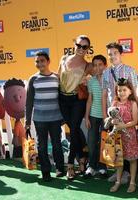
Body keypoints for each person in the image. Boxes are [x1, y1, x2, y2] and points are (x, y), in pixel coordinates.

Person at [101, 42, 138, 183]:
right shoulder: (105, 72)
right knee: (117, 144)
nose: (112, 56)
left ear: (121, 54)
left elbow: (134, 92)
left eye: (115, 53)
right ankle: (119, 173)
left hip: (128, 113)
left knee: (129, 143)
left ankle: (129, 173)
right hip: (113, 114)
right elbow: (105, 95)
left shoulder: (130, 70)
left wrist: (134, 111)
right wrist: (106, 116)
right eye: (109, 54)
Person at [58, 35, 93, 180]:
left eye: (84, 47)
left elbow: (99, 76)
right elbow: (57, 78)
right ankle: (83, 157)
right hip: (62, 99)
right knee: (74, 130)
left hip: (77, 101)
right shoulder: (63, 59)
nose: (81, 49)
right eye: (79, 45)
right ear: (74, 45)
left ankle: (71, 165)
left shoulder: (88, 65)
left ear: (88, 49)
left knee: (73, 131)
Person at [25, 51, 64, 181]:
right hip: (39, 119)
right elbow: (29, 101)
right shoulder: (33, 79)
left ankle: (59, 168)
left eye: (42, 60)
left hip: (55, 118)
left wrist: (63, 116)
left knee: (57, 144)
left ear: (48, 61)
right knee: (41, 146)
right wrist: (27, 120)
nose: (39, 63)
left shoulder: (57, 77)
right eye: (37, 61)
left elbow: (62, 99)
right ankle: (45, 171)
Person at [109, 78, 138, 193]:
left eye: (124, 90)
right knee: (119, 160)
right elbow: (111, 117)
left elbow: (134, 121)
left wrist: (123, 126)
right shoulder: (114, 103)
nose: (121, 93)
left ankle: (132, 182)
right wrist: (112, 121)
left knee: (132, 160)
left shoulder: (132, 104)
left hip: (130, 136)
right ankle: (118, 181)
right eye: (119, 90)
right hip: (118, 136)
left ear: (130, 92)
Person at [84, 55, 107, 178]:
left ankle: (103, 167)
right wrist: (86, 117)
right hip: (93, 115)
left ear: (105, 66)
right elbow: (89, 100)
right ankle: (91, 166)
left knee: (103, 141)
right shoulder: (91, 81)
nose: (97, 68)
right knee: (92, 142)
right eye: (95, 65)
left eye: (100, 65)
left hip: (106, 117)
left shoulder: (110, 80)